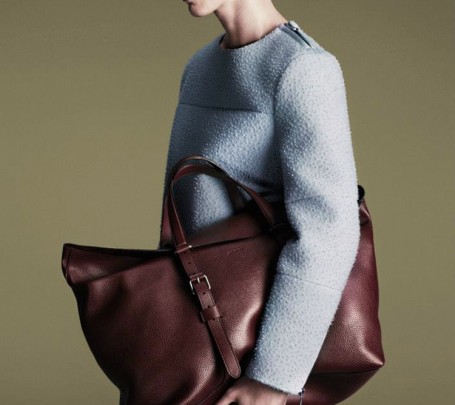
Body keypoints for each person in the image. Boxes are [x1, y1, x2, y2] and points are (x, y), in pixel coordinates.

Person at [162, 0, 361, 403]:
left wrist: (272, 378)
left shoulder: (303, 69)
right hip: (194, 341)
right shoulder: (199, 69)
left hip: (256, 361)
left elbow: (329, 231)